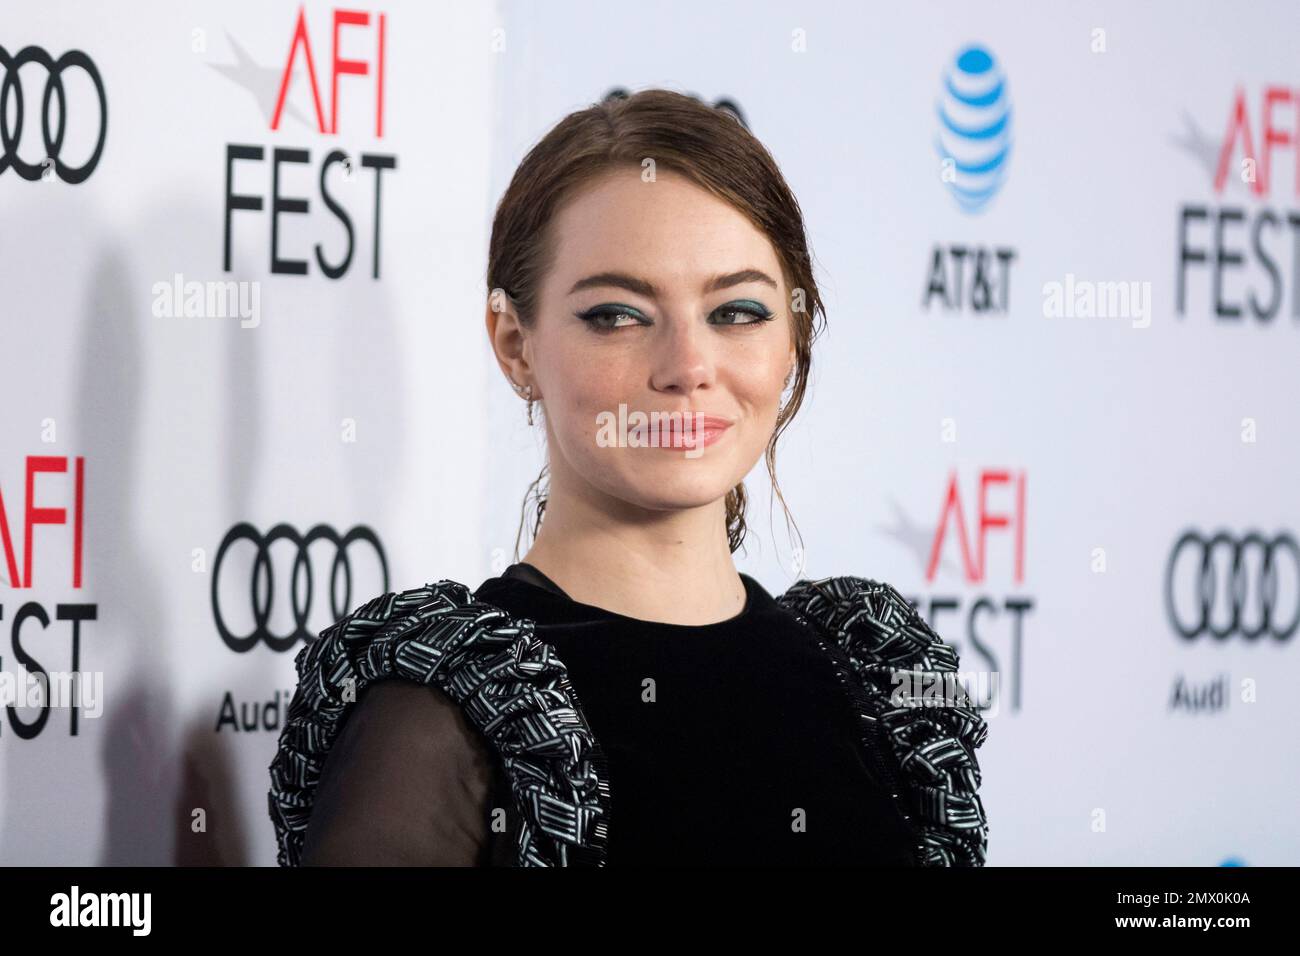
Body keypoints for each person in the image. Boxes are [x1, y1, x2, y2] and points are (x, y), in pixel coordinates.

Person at [267, 88, 989, 867]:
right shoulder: (443, 713)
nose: (687, 367)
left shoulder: (877, 684)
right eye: (617, 314)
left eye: (737, 310)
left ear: (793, 334)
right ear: (515, 344)